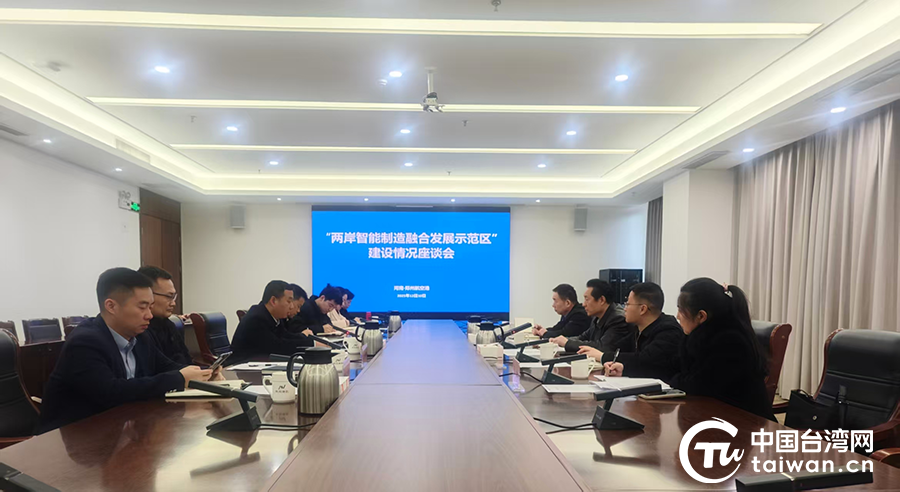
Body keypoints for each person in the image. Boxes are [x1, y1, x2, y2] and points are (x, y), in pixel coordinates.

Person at [40, 268, 214, 432]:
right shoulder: (84, 342)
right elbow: (111, 392)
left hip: (123, 429)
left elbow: (166, 366)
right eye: (142, 307)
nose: (149, 315)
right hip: (74, 437)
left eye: (150, 307)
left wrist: (204, 373)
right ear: (111, 306)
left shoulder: (141, 336)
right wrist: (179, 378)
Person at [668, 278, 774, 420]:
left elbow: (698, 385)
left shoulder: (730, 342)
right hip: (715, 414)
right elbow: (678, 370)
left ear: (701, 316)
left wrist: (675, 379)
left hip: (746, 422)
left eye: (681, 310)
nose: (677, 316)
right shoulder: (701, 336)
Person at [579, 282, 682, 382]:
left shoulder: (668, 331)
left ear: (642, 309)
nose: (624, 309)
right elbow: (618, 348)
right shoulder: (638, 329)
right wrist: (614, 363)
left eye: (627, 304)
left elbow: (645, 361)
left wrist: (602, 357)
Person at [230, 281, 314, 364]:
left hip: (257, 364)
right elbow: (277, 347)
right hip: (238, 367)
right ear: (273, 301)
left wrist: (307, 339)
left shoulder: (274, 317)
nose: (291, 306)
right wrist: (311, 344)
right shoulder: (257, 318)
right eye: (289, 302)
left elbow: (286, 335)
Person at [549, 279, 636, 354]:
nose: (583, 304)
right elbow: (583, 337)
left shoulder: (618, 319)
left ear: (601, 300)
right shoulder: (596, 317)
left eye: (587, 299)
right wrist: (562, 340)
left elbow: (602, 347)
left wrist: (567, 343)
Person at [137, 266, 193, 365]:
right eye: (169, 297)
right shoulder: (139, 331)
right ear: (148, 294)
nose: (173, 303)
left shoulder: (169, 325)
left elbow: (187, 360)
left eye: (174, 297)